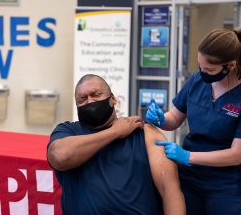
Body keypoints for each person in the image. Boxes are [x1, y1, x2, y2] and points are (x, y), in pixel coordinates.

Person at [146, 27, 241, 215]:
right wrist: (160, 118)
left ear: (230, 65)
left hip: (226, 186)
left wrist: (188, 156)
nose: (201, 72)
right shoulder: (197, 79)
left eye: (208, 69)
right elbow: (174, 118)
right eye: (200, 66)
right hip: (190, 179)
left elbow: (236, 154)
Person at [47, 74, 185, 215]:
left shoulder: (144, 132)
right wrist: (115, 132)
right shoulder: (68, 131)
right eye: (82, 99)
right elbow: (59, 156)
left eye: (96, 95)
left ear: (113, 99)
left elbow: (170, 191)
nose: (89, 101)